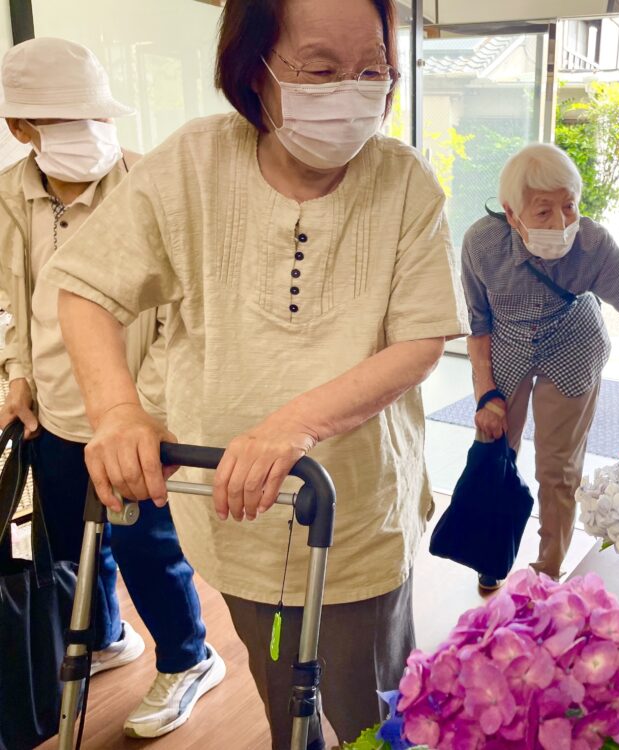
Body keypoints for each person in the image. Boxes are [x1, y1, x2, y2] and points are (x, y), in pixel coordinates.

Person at [43, 1, 468, 746]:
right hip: (234, 509)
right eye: (320, 70)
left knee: (368, 709)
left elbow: (421, 341)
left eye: (373, 69)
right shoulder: (194, 163)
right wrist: (116, 410)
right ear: (255, 71)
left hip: (355, 513)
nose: (352, 91)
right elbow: (86, 287)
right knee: (283, 697)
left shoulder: (404, 181)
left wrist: (293, 423)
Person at [0, 38, 223, 738]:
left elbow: (182, 319)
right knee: (68, 542)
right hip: (56, 415)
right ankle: (104, 635)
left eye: (97, 116)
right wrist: (17, 377)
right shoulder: (11, 195)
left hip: (136, 416)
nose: (91, 134)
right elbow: (19, 297)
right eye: (68, 121)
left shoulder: (150, 185)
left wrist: (143, 411)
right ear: (21, 129)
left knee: (146, 545)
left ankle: (189, 658)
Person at [462, 143, 619, 590]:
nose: (561, 224)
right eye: (543, 213)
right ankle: (492, 552)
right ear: (511, 212)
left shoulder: (593, 244)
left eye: (569, 207)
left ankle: (547, 569)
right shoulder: (482, 243)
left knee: (558, 469)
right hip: (508, 342)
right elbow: (478, 327)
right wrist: (486, 395)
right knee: (497, 450)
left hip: (573, 343)